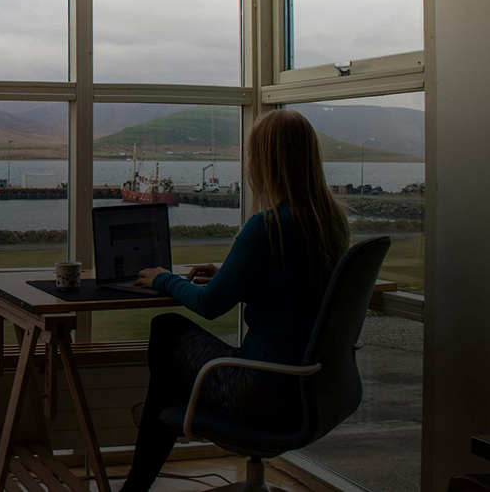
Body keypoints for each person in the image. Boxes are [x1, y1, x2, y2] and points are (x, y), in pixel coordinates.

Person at [119, 109, 350, 491]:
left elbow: (210, 305)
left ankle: (146, 462)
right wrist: (230, 272)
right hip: (315, 390)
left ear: (264, 163)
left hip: (261, 393)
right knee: (170, 377)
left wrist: (163, 279)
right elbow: (290, 285)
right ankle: (164, 422)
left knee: (167, 328)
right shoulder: (331, 223)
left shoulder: (267, 227)